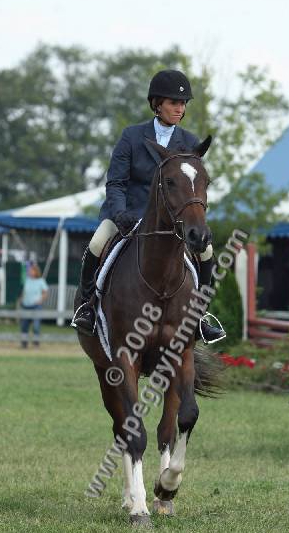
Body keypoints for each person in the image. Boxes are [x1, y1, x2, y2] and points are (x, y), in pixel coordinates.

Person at [72, 69, 225, 344]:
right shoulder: (131, 137)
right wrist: (119, 213)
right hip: (128, 214)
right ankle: (87, 307)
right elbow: (116, 182)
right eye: (174, 103)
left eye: (183, 103)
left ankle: (200, 317)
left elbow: (193, 186)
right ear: (157, 104)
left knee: (207, 252)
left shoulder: (190, 143)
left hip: (172, 220)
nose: (180, 109)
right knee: (96, 243)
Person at [18, 263, 49, 348]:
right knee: (24, 325)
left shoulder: (41, 281)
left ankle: (36, 343)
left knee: (36, 326)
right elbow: (24, 292)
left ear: (36, 272)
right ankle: (24, 343)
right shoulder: (27, 281)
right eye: (29, 271)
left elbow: (45, 293)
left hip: (36, 306)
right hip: (26, 305)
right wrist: (21, 299)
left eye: (31, 271)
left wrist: (40, 300)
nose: (30, 272)